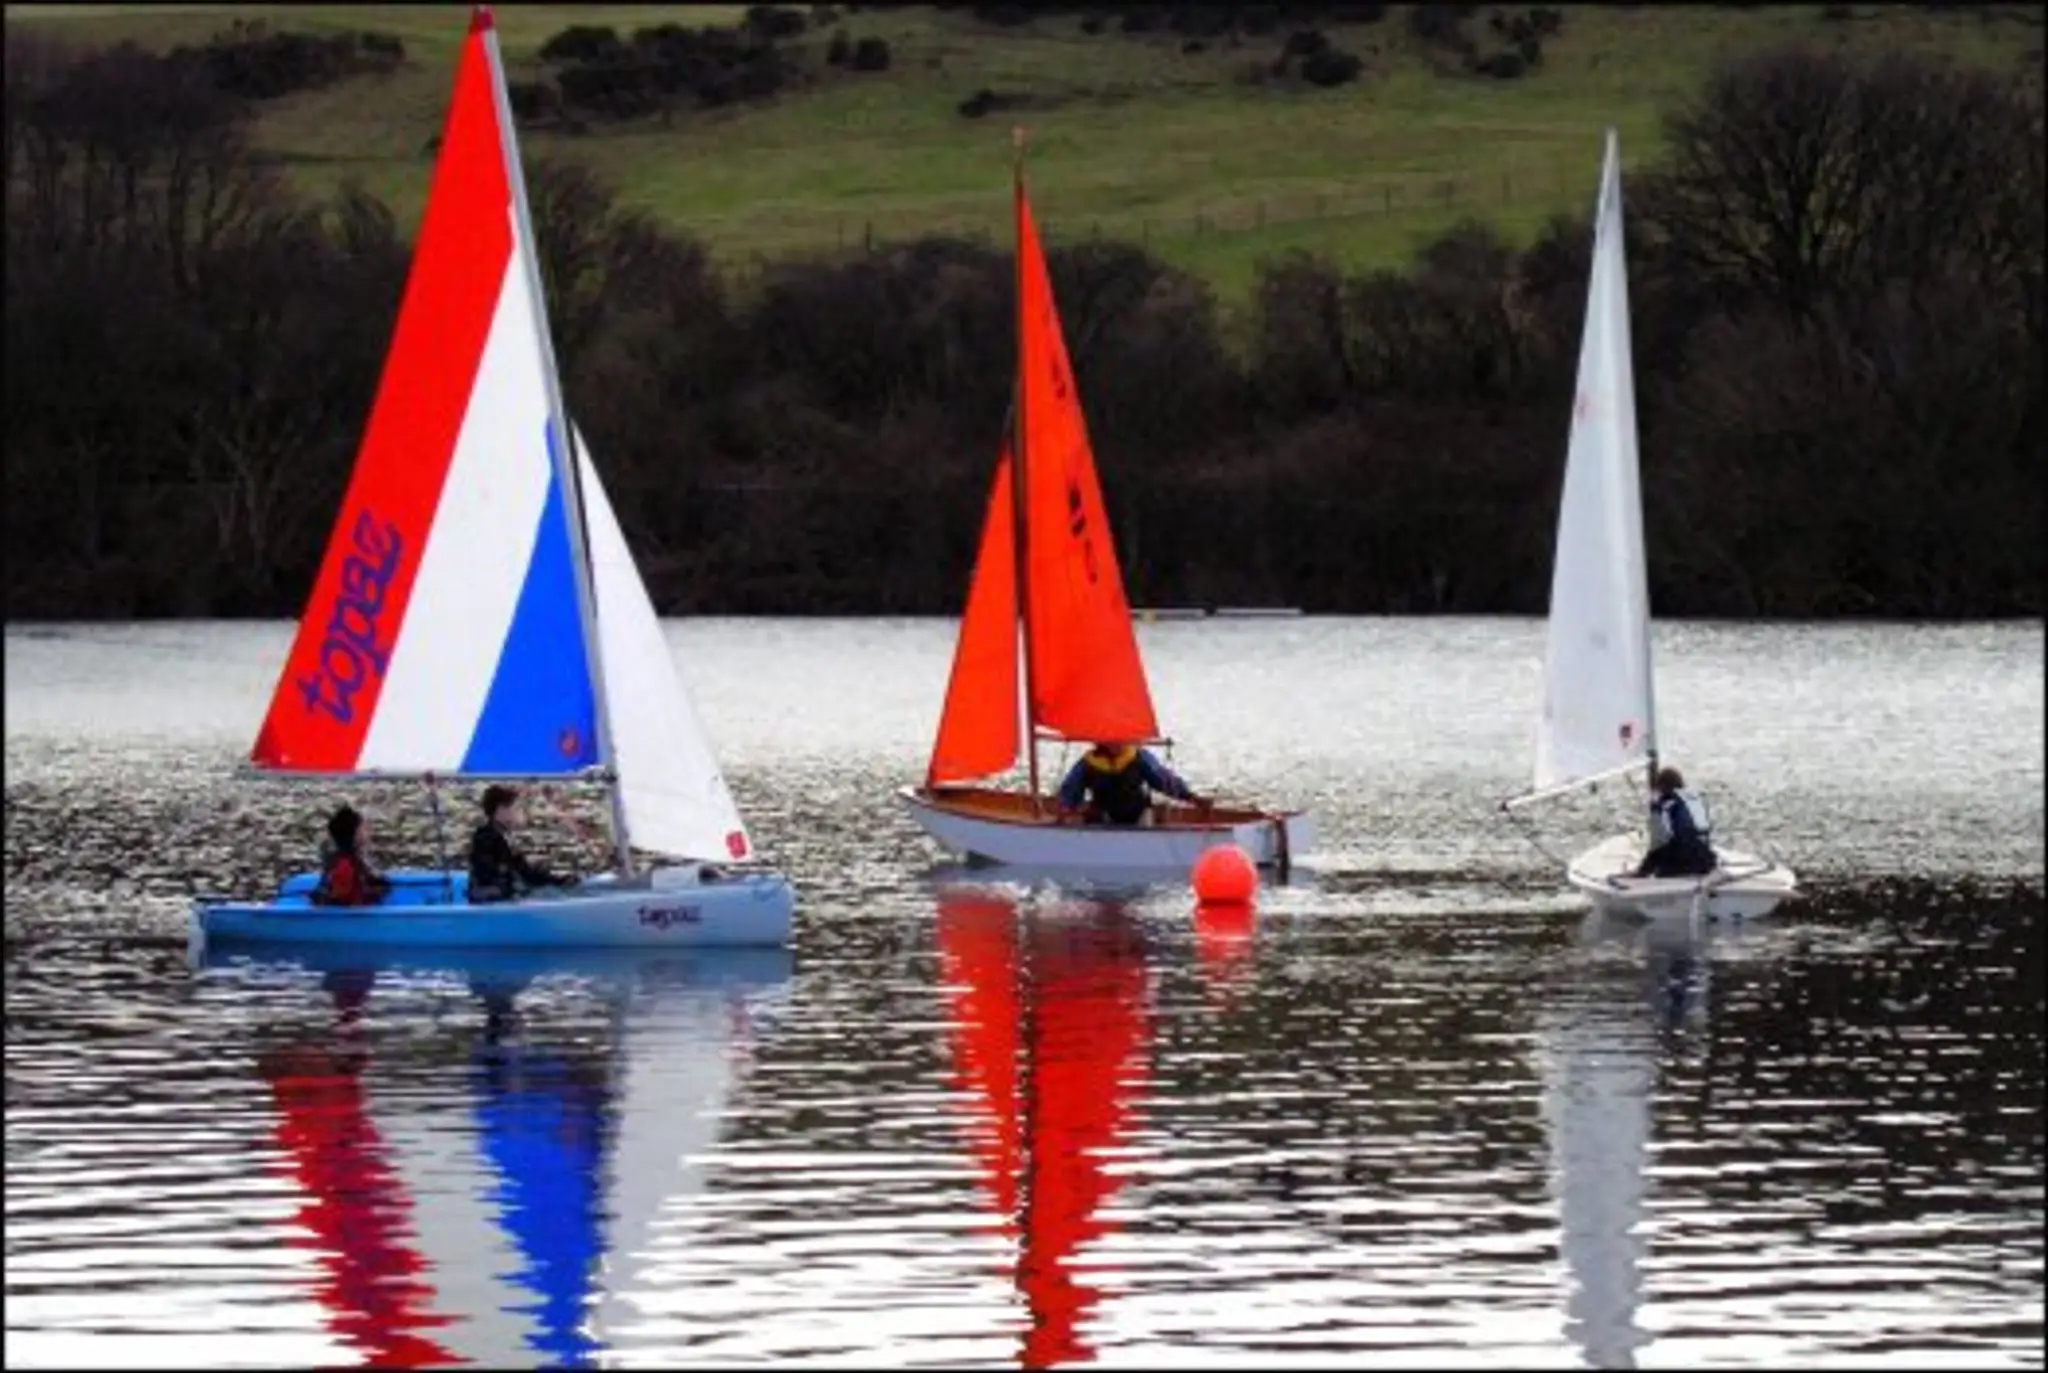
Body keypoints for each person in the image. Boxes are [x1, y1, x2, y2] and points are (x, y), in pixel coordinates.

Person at [1056, 740, 1206, 826]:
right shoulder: (1088, 763)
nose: (1117, 743)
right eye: (1111, 739)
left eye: (1120, 739)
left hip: (1138, 813)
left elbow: (1162, 779)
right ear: (1102, 741)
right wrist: (1065, 807)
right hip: (1106, 815)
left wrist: (1189, 796)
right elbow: (1072, 788)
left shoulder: (1138, 757)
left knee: (1145, 824)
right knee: (1094, 815)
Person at [468, 784, 574, 904]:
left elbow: (525, 872)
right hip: (490, 902)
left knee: (553, 893)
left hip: (502, 896)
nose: (518, 813)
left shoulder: (504, 837)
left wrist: (558, 881)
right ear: (500, 809)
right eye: (515, 808)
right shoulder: (485, 837)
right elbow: (487, 873)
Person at [1635, 766, 1717, 878]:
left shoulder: (1664, 806)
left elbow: (1659, 845)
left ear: (1661, 788)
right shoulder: (1696, 800)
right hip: (1705, 863)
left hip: (1678, 866)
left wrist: (1642, 872)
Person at [310, 804, 392, 907]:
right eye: (363, 829)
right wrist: (376, 893)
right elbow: (344, 898)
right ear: (355, 836)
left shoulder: (350, 858)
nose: (368, 833)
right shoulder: (345, 864)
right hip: (348, 918)